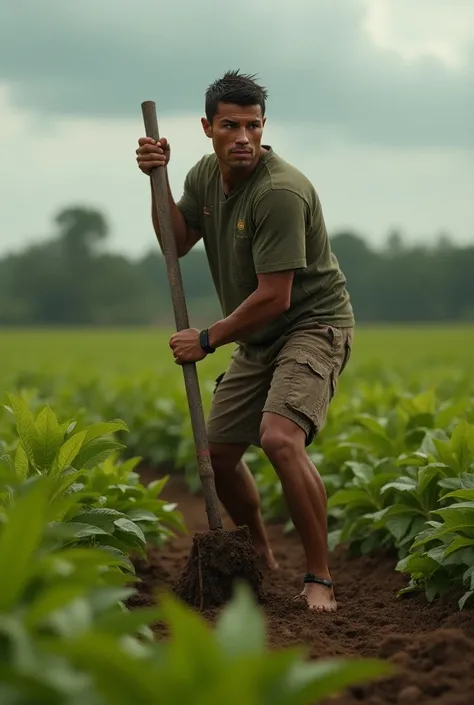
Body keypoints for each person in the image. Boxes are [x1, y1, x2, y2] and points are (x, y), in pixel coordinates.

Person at [135, 70, 354, 612]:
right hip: (259, 337)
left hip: (311, 325)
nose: (243, 138)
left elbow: (276, 297)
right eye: (230, 125)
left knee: (280, 440)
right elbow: (176, 242)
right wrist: (156, 181)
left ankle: (320, 577)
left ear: (263, 127)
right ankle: (257, 547)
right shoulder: (205, 175)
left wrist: (207, 338)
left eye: (253, 126)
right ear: (207, 127)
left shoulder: (278, 192)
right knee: (219, 452)